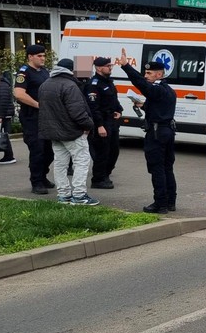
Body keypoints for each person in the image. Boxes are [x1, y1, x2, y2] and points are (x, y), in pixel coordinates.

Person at [115, 50, 177, 213]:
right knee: (167, 169)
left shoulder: (157, 89)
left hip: (157, 134)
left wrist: (126, 66)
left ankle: (160, 204)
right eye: (145, 72)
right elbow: (160, 107)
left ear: (159, 74)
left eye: (149, 73)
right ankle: (171, 202)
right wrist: (144, 105)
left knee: (157, 169)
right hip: (167, 131)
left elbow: (141, 84)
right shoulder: (168, 90)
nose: (145, 75)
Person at [38, 58, 97, 205]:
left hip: (53, 132)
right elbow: (77, 112)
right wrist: (89, 125)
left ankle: (63, 195)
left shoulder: (45, 84)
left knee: (60, 164)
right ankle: (79, 195)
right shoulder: (70, 85)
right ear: (71, 70)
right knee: (82, 161)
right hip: (72, 132)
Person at [14, 44, 55, 194]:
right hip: (32, 117)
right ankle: (36, 182)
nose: (43, 58)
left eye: (44, 55)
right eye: (39, 56)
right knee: (37, 150)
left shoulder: (44, 72)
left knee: (49, 151)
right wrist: (38, 105)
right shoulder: (24, 72)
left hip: (47, 118)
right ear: (30, 57)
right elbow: (19, 94)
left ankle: (43, 176)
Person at [85, 57, 122, 189]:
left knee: (114, 151)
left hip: (112, 121)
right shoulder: (93, 85)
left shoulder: (109, 82)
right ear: (99, 68)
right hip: (102, 122)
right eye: (108, 66)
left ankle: (105, 174)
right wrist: (99, 125)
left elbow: (114, 100)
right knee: (102, 152)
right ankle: (98, 179)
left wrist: (119, 110)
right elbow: (93, 107)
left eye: (110, 66)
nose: (110, 68)